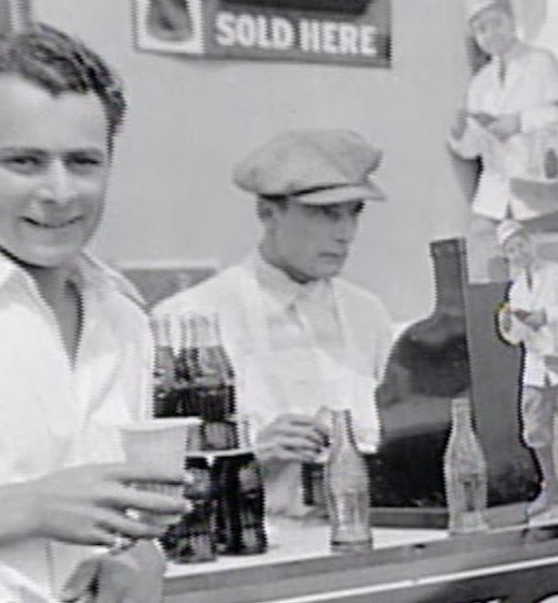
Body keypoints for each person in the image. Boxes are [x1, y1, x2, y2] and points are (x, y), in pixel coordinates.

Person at [0, 24, 188, 603]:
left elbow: (108, 514)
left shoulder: (123, 320)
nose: (60, 191)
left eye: (84, 162)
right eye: (25, 161)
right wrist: (31, 507)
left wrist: (139, 558)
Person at [153, 129, 393, 516]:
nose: (345, 233)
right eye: (325, 213)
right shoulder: (192, 319)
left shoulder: (367, 314)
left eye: (354, 213)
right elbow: (159, 476)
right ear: (267, 212)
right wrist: (250, 454)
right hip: (247, 546)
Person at [448, 0, 558, 232]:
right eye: (481, 29)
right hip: (493, 201)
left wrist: (519, 122)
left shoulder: (540, 61)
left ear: (511, 20)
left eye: (496, 23)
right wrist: (459, 135)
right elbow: (473, 149)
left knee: (545, 267)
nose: (491, 34)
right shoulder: (480, 83)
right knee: (484, 262)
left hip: (539, 197)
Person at [495, 220, 558, 516]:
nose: (518, 253)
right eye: (511, 250)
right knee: (536, 426)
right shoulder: (514, 291)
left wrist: (545, 316)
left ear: (531, 243)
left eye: (521, 245)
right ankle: (551, 486)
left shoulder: (554, 273)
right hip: (536, 368)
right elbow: (517, 337)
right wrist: (508, 328)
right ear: (507, 256)